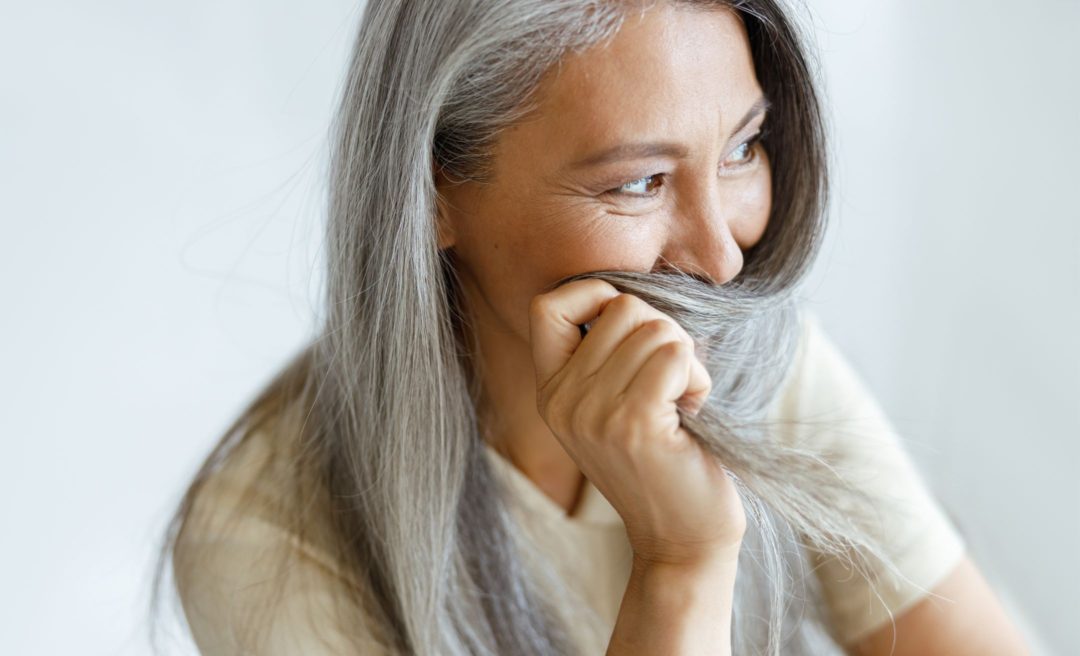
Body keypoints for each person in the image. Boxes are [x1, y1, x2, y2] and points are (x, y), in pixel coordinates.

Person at [151, 1, 1032, 654]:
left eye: (741, 150)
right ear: (428, 196)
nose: (723, 260)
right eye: (638, 183)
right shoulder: (265, 530)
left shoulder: (755, 360)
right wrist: (681, 563)